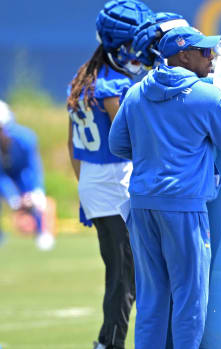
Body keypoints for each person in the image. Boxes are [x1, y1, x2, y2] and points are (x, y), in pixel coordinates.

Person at [109, 26, 221, 348]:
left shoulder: (137, 92)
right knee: (190, 298)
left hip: (142, 204)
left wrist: (151, 152)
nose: (210, 57)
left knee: (151, 297)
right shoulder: (207, 95)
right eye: (203, 51)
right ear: (184, 55)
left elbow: (117, 145)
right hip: (183, 205)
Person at [66, 1, 153, 347]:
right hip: (117, 182)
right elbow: (126, 138)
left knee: (125, 273)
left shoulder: (84, 78)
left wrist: (86, 190)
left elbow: (72, 146)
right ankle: (109, 342)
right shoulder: (112, 85)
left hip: (94, 180)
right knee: (124, 276)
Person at [0, 100, 54, 251]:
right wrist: (12, 197)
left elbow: (33, 167)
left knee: (34, 198)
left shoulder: (26, 138)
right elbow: (1, 176)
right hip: (4, 176)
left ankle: (43, 232)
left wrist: (37, 190)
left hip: (23, 174)